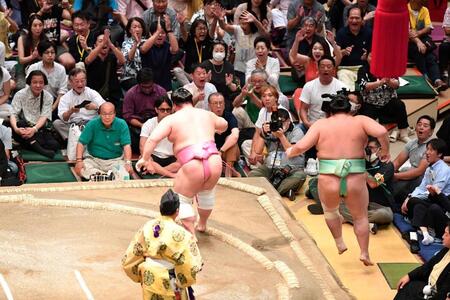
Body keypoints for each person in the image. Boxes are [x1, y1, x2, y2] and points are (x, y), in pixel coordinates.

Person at [286, 93, 389, 266]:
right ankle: (364, 253)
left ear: (329, 111)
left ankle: (339, 242)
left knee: (331, 211)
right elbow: (382, 131)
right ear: (350, 109)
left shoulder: (321, 124)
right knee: (361, 217)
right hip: (355, 178)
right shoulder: (360, 120)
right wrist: (385, 150)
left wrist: (290, 152)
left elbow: (302, 146)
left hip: (329, 179)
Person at [137, 87, 228, 238]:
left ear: (174, 106)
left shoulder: (172, 119)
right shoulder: (206, 114)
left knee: (182, 199)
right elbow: (224, 124)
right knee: (206, 192)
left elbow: (153, 139)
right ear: (191, 101)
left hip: (193, 163)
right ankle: (202, 224)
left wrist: (145, 158)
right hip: (214, 160)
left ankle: (190, 234)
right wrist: (216, 128)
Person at [122, 189, 203, 300]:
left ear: (160, 208)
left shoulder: (147, 226)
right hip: (170, 281)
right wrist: (183, 280)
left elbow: (133, 253)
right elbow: (192, 264)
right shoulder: (183, 234)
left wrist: (140, 273)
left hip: (149, 276)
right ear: (177, 211)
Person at [401, 139, 450, 246]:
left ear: (440, 153)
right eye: (427, 149)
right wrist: (408, 197)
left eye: (431, 150)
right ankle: (425, 234)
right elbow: (421, 187)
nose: (427, 152)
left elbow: (434, 192)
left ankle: (421, 227)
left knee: (417, 202)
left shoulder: (444, 169)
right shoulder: (429, 168)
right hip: (430, 200)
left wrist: (413, 198)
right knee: (415, 203)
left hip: (442, 204)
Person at [249, 107, 306, 200]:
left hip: (292, 169)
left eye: (282, 122)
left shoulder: (297, 131)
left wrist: (281, 136)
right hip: (271, 167)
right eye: (276, 123)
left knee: (300, 176)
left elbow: (292, 151)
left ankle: (271, 190)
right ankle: (285, 191)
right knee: (253, 175)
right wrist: (262, 134)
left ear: (288, 121)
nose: (280, 125)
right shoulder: (272, 129)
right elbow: (257, 151)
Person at [357, 52, 410, 143]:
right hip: (370, 103)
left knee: (400, 105)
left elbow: (397, 85)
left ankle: (403, 134)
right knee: (364, 117)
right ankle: (368, 140)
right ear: (367, 57)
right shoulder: (362, 70)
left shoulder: (389, 68)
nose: (373, 59)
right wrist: (381, 82)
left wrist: (388, 81)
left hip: (387, 102)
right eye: (371, 56)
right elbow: (364, 86)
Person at [74, 102, 133, 180]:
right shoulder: (92, 124)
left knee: (126, 172)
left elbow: (127, 145)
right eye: (104, 114)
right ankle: (108, 177)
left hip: (116, 160)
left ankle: (100, 177)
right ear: (99, 114)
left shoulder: (122, 124)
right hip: (94, 159)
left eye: (110, 114)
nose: (107, 117)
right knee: (81, 170)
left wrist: (128, 163)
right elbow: (81, 143)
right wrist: (79, 160)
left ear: (115, 114)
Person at [394, 221, 450, 300]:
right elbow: (428, 266)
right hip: (429, 287)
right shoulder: (446, 250)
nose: (443, 236)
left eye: (446, 234)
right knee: (407, 285)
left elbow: (444, 292)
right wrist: (409, 276)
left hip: (437, 294)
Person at [10, 70, 59, 158]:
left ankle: (29, 144)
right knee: (21, 123)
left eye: (41, 82)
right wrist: (16, 129)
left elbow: (44, 116)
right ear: (29, 83)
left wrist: (34, 129)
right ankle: (41, 150)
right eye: (35, 82)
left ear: (44, 83)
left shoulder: (48, 97)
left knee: (54, 145)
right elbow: (13, 114)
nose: (38, 85)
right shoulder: (20, 94)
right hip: (22, 128)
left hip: (38, 128)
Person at [392, 115, 435, 206]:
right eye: (419, 124)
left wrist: (396, 176)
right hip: (411, 172)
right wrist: (386, 172)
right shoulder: (412, 143)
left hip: (425, 179)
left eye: (425, 126)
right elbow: (397, 162)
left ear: (431, 132)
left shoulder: (432, 147)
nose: (421, 127)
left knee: (398, 186)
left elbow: (419, 171)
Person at [53, 68, 105, 141]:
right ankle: (79, 139)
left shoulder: (92, 93)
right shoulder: (65, 97)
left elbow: (106, 108)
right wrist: (71, 111)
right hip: (73, 125)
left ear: (86, 81)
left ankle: (78, 140)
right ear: (70, 82)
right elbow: (63, 118)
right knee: (57, 123)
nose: (80, 84)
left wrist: (96, 107)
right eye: (76, 81)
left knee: (101, 119)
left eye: (82, 81)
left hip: (90, 123)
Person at [123, 68, 167, 154]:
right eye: (144, 87)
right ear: (139, 84)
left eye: (149, 87)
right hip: (138, 125)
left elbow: (166, 111)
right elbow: (128, 116)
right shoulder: (131, 93)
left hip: (157, 123)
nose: (147, 89)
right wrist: (142, 125)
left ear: (153, 83)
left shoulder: (161, 92)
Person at [407, 0, 447, 91]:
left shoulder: (424, 9)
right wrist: (418, 42)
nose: (423, 2)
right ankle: (426, 78)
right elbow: (407, 32)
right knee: (419, 51)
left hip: (423, 39)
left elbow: (429, 27)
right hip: (408, 43)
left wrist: (418, 33)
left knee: (431, 57)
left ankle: (437, 80)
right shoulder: (405, 10)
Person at [299, 56, 347, 130]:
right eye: (322, 66)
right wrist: (306, 123)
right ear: (318, 69)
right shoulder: (309, 86)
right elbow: (303, 109)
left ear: (334, 69)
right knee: (298, 129)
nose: (325, 69)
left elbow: (345, 112)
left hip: (335, 126)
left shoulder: (342, 87)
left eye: (329, 67)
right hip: (313, 125)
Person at [140, 95, 179, 178]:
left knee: (184, 163)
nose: (165, 113)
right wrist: (148, 162)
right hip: (154, 156)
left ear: (171, 110)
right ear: (156, 109)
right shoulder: (149, 124)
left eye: (168, 110)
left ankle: (159, 171)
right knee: (143, 159)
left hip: (171, 158)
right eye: (162, 110)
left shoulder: (177, 124)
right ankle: (169, 174)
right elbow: (142, 145)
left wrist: (159, 169)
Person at [27, 40, 68, 119]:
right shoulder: (34, 67)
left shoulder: (61, 69)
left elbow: (62, 91)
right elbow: (28, 88)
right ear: (40, 54)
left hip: (54, 101)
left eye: (52, 52)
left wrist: (53, 107)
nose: (50, 55)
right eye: (46, 53)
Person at [85, 29, 125, 106]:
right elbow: (88, 61)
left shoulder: (112, 57)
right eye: (100, 41)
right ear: (95, 45)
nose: (104, 43)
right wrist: (103, 43)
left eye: (106, 41)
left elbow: (122, 61)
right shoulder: (92, 56)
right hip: (94, 95)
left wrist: (111, 44)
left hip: (112, 94)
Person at [335, 6, 372, 91]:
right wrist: (343, 52)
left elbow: (374, 54)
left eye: (357, 18)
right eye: (351, 18)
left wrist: (367, 56)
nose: (354, 21)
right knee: (345, 87)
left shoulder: (369, 32)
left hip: (364, 68)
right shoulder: (341, 33)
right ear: (347, 19)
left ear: (362, 19)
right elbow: (335, 54)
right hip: (345, 69)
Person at [140, 17, 179, 91]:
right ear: (150, 34)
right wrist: (158, 32)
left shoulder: (167, 45)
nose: (160, 35)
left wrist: (169, 30)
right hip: (148, 85)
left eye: (163, 33)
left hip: (165, 86)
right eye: (157, 32)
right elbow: (143, 49)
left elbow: (175, 50)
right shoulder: (145, 44)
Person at [35, 0, 75, 70]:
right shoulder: (34, 8)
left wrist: (68, 7)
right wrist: (42, 10)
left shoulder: (56, 8)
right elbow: (31, 23)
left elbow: (75, 18)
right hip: (39, 45)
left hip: (55, 44)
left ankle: (54, 69)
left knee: (70, 63)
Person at [201, 40, 239, 112]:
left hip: (225, 99)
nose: (219, 53)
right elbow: (199, 85)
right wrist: (206, 81)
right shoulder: (205, 65)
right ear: (212, 51)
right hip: (208, 99)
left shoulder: (229, 66)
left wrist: (230, 84)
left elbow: (234, 88)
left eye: (221, 51)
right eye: (216, 51)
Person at [209, 92, 240, 177]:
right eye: (215, 103)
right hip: (211, 152)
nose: (218, 106)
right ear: (209, 105)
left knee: (231, 141)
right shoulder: (205, 117)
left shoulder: (229, 116)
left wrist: (221, 151)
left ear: (224, 104)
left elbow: (235, 135)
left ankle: (228, 174)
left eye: (221, 103)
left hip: (226, 151)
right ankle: (227, 170)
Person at [120, 17, 148, 91]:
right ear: (129, 30)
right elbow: (129, 58)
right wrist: (135, 43)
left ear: (143, 29)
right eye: (134, 27)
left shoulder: (147, 42)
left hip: (146, 77)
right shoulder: (126, 43)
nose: (137, 29)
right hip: (129, 77)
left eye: (139, 27)